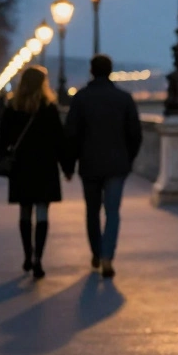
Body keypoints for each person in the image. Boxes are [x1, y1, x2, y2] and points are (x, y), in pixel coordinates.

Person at [64, 54, 143, 279]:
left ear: (91, 71)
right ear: (110, 71)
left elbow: (71, 135)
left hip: (89, 164)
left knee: (92, 211)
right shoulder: (124, 99)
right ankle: (108, 254)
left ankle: (97, 253)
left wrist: (69, 165)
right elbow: (135, 135)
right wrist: (128, 159)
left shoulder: (80, 99)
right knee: (113, 212)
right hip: (117, 164)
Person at [0, 66, 70, 280]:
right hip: (44, 167)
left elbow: (3, 140)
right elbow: (59, 141)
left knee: (25, 211)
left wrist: (1, 161)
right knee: (43, 212)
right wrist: (67, 167)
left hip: (21, 167)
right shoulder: (48, 108)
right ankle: (39, 257)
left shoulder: (12, 108)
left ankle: (27, 254)